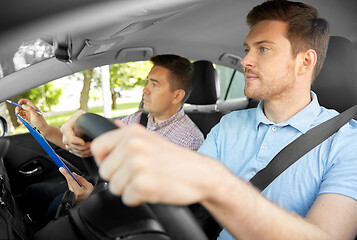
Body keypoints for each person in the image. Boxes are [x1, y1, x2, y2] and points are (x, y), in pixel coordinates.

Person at [89, 1, 357, 240]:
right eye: (247, 49)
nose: (246, 60)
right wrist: (98, 195)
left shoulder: (348, 142)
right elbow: (180, 185)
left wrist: (218, 183)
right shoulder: (228, 126)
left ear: (304, 61)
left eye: (263, 49)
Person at [16, 54, 204, 227]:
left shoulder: (189, 141)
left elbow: (162, 208)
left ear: (177, 95)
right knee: (33, 194)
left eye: (154, 84)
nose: (144, 89)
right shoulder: (137, 118)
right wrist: (44, 127)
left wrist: (93, 199)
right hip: (105, 190)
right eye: (147, 81)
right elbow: (88, 145)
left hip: (127, 217)